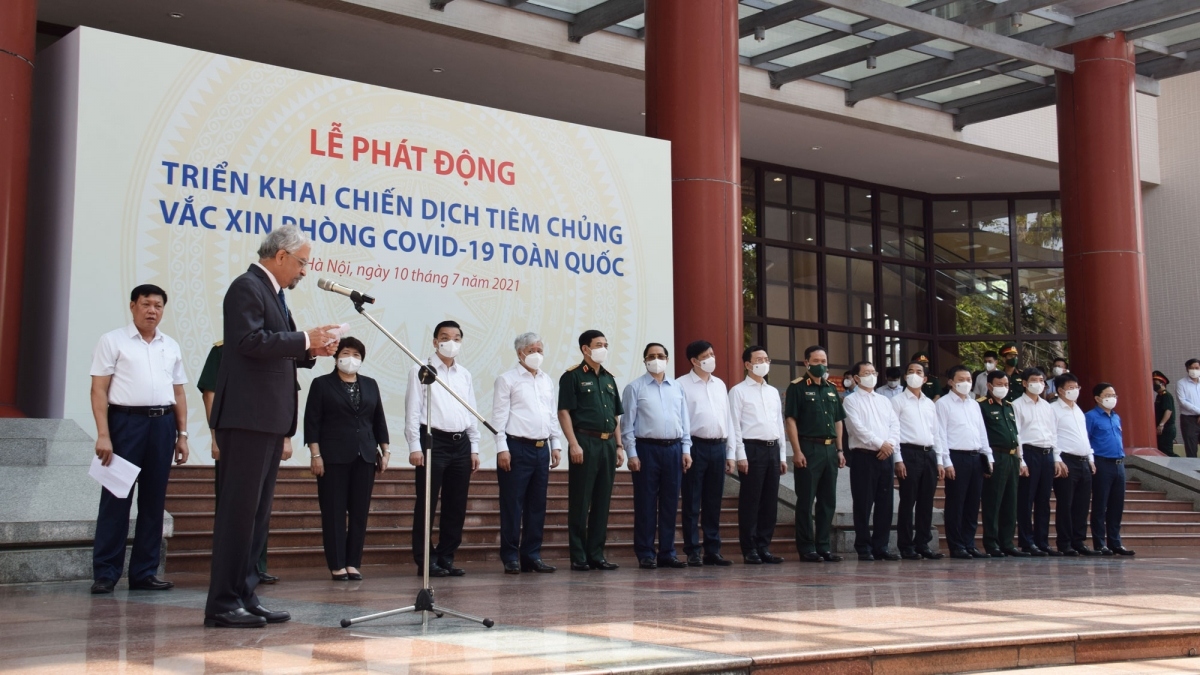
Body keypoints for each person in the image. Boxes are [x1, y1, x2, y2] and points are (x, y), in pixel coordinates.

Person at [205, 225, 339, 629]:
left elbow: (276, 347)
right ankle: (223, 603)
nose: (303, 272)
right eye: (301, 263)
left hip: (266, 418)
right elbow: (248, 342)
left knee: (256, 516)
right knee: (238, 514)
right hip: (247, 417)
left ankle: (246, 594)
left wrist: (310, 349)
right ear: (280, 257)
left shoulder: (275, 294)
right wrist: (302, 339)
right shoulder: (247, 287)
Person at [89, 284, 190, 595]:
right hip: (125, 424)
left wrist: (182, 435)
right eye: (146, 304)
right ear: (133, 306)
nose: (152, 310)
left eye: (158, 306)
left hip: (162, 425)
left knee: (153, 500)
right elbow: (99, 390)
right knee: (116, 498)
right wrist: (104, 434)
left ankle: (144, 572)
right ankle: (106, 572)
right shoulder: (113, 341)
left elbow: (178, 392)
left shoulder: (170, 345)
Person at [305, 337, 390, 581]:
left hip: (365, 455)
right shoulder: (321, 384)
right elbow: (312, 422)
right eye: (346, 353)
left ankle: (353, 562)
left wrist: (385, 451)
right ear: (336, 356)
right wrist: (315, 454)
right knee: (333, 511)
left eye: (356, 354)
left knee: (360, 511)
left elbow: (379, 420)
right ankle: (337, 563)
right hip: (332, 457)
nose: (351, 358)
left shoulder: (371, 384)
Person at [198, 342, 282, 586]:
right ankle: (228, 570)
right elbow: (210, 393)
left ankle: (256, 566)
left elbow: (286, 393)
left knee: (261, 506)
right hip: (235, 436)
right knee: (232, 506)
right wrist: (216, 436)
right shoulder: (223, 350)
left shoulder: (276, 347)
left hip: (267, 436)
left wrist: (285, 437)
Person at [406, 320, 480, 578]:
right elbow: (413, 412)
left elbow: (471, 411)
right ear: (435, 341)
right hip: (432, 442)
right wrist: (414, 446)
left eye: (457, 338)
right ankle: (426, 561)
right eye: (445, 337)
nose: (451, 342)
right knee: (426, 504)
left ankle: (447, 556)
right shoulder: (422, 369)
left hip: (461, 444)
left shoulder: (465, 374)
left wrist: (475, 447)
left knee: (456, 504)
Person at [492, 332, 562, 574]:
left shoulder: (546, 380)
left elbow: (551, 415)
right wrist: (502, 448)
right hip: (516, 447)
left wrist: (557, 444)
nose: (537, 355)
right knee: (512, 505)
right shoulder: (507, 379)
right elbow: (499, 417)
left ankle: (532, 555)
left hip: (542, 449)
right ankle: (510, 556)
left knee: (537, 505)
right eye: (532, 350)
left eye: (540, 350)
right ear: (520, 353)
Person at [558, 330, 625, 571]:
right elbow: (564, 412)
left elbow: (615, 415)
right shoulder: (572, 377)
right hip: (584, 442)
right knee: (580, 499)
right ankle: (579, 556)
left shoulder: (609, 378)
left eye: (605, 344)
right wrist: (573, 443)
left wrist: (619, 445)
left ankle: (597, 554)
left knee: (602, 500)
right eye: (598, 344)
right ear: (585, 349)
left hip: (607, 443)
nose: (603, 348)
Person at [623, 343, 692, 569]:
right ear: (644, 360)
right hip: (646, 449)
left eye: (660, 356)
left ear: (667, 359)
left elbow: (684, 421)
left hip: (673, 449)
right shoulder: (635, 388)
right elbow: (627, 425)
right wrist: (631, 453)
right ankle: (645, 552)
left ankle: (667, 552)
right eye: (651, 356)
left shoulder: (677, 388)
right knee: (645, 503)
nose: (656, 359)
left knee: (671, 503)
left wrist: (686, 449)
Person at [676, 340, 735, 567]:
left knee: (713, 501)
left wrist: (730, 453)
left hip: (718, 447)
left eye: (712, 353)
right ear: (694, 361)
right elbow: (681, 420)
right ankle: (692, 550)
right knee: (692, 501)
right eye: (706, 355)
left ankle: (713, 549)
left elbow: (727, 418)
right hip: (695, 447)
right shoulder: (681, 384)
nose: (712, 358)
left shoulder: (720, 384)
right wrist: (685, 449)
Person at [784, 345, 845, 563]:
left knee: (828, 501)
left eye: (824, 361)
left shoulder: (830, 388)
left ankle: (824, 546)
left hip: (830, 449)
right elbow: (790, 420)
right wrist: (797, 451)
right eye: (816, 361)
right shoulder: (797, 387)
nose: (821, 365)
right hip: (808, 448)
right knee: (806, 500)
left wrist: (839, 449)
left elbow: (838, 420)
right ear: (806, 363)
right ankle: (807, 547)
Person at [730, 345, 788, 565]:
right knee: (750, 501)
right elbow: (735, 425)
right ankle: (749, 548)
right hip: (751, 449)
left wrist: (782, 455)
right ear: (747, 364)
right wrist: (740, 455)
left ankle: (764, 546)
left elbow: (778, 424)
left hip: (773, 449)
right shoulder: (738, 391)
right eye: (758, 359)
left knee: (769, 502)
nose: (764, 363)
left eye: (766, 359)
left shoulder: (772, 391)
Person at [842, 361, 901, 561]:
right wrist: (880, 444)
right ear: (857, 378)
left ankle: (881, 546)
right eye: (866, 373)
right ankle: (863, 546)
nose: (871, 375)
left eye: (873, 372)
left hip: (886, 456)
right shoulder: (850, 401)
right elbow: (857, 428)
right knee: (863, 503)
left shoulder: (884, 400)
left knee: (885, 503)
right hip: (864, 456)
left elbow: (895, 424)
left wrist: (890, 444)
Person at [936, 365, 991, 560]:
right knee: (956, 503)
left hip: (976, 457)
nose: (966, 383)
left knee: (972, 503)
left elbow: (981, 432)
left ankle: (969, 543)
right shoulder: (943, 404)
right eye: (961, 379)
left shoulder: (974, 404)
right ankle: (956, 545)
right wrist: (946, 461)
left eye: (968, 379)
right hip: (956, 456)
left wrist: (988, 456)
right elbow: (940, 434)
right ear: (951, 381)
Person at [892, 361, 945, 560]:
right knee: (908, 500)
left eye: (919, 372)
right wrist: (898, 459)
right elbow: (894, 430)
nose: (914, 375)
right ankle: (905, 545)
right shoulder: (897, 401)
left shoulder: (929, 403)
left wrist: (939, 460)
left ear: (925, 379)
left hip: (929, 453)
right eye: (910, 371)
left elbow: (936, 433)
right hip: (908, 452)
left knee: (926, 501)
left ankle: (923, 543)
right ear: (905, 376)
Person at [979, 371, 1028, 557]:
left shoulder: (1009, 407)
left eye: (1006, 384)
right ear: (990, 386)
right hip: (995, 456)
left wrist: (1021, 459)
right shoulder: (982, 406)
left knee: (1010, 501)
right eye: (999, 384)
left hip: (1012, 457)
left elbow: (1016, 434)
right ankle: (992, 543)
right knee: (993, 501)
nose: (1003, 388)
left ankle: (1007, 542)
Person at [1050, 372, 1098, 556]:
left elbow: (1084, 437)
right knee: (1066, 504)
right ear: (1060, 390)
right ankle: (1064, 542)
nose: (1074, 391)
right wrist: (1057, 459)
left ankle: (1079, 541)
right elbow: (1052, 435)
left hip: (1083, 460)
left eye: (1076, 388)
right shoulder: (1053, 409)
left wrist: (1090, 458)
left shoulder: (1078, 409)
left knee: (1082, 504)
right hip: (1066, 460)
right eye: (1070, 388)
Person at [1012, 368, 1058, 557]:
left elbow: (1053, 433)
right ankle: (1026, 540)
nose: (1038, 384)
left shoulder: (1047, 406)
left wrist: (1056, 458)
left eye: (1041, 380)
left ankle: (1042, 541)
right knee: (1026, 499)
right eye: (1033, 380)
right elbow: (1017, 435)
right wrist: (1021, 460)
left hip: (1046, 453)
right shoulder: (1016, 405)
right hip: (1028, 453)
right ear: (1024, 383)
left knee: (1044, 500)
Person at [1087, 383, 1135, 556]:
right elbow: (1087, 441)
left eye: (1114, 395)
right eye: (1107, 395)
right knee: (1100, 504)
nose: (1112, 398)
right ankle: (1099, 543)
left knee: (1116, 505)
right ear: (1098, 398)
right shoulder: (1090, 417)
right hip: (1102, 463)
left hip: (1118, 463)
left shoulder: (1116, 417)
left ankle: (1115, 542)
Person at [1175, 359, 1200, 458]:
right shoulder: (1181, 383)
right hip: (1189, 420)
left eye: (1197, 368)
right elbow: (1183, 401)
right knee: (1191, 448)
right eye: (1191, 368)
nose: (1194, 370)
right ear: (1187, 369)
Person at [1154, 371, 1177, 457]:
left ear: (1162, 383)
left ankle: (1182, 465)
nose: (1153, 385)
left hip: (1166, 428)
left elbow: (1168, 410)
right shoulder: (1159, 396)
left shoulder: (1166, 395)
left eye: (1155, 383)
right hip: (1162, 428)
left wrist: (1161, 424)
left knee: (1167, 452)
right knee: (1162, 451)